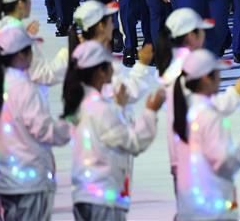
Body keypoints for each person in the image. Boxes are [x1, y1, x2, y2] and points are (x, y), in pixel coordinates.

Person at [63, 40, 164, 220]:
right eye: (109, 64)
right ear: (99, 72)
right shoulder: (99, 108)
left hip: (89, 194)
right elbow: (132, 142)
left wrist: (118, 108)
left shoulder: (83, 102)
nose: (114, 68)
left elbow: (108, 134)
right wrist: (150, 113)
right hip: (103, 199)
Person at [172, 48, 240, 219]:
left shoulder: (188, 110)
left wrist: (235, 93)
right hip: (213, 208)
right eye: (217, 73)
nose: (220, 78)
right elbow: (224, 161)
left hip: (192, 205)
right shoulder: (208, 116)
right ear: (206, 78)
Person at [0, 24, 71, 221]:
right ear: (21, 55)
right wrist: (69, 125)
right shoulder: (25, 88)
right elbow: (44, 129)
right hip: (31, 178)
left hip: (8, 175)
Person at [156, 8, 240, 195]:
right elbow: (206, 109)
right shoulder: (191, 67)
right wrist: (236, 93)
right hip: (199, 157)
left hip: (182, 154)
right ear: (191, 35)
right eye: (201, 30)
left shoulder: (174, 65)